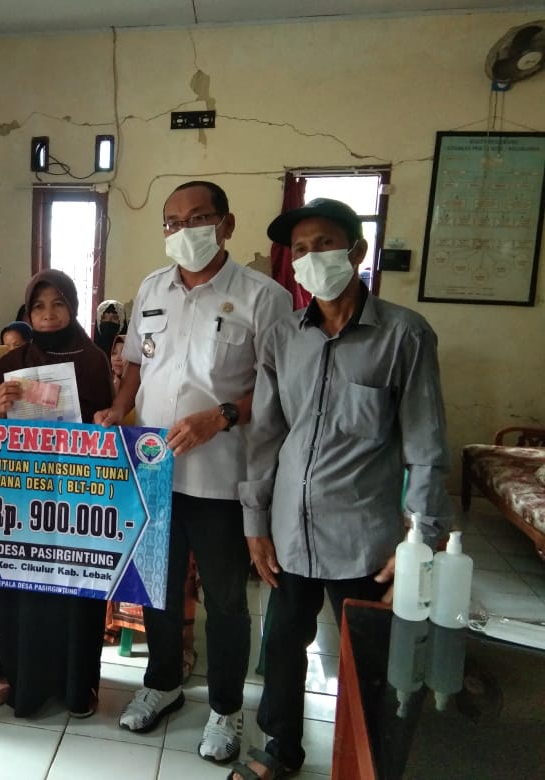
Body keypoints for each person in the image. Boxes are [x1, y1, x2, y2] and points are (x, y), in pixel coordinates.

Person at [231, 198, 451, 780]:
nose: (311, 258)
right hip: (290, 530)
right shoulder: (282, 336)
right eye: (300, 250)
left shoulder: (404, 335)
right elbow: (265, 436)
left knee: (370, 658)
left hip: (364, 538)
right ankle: (279, 749)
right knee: (282, 644)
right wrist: (255, 523)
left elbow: (427, 445)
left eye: (324, 244)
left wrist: (422, 543)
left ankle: (369, 760)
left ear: (357, 251)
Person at [95, 181, 291, 762]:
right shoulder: (152, 287)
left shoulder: (264, 297)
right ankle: (162, 684)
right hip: (155, 474)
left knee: (226, 600)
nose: (185, 231)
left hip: (223, 479)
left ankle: (226, 709)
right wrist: (118, 408)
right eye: (173, 221)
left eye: (198, 218)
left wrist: (222, 416)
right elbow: (135, 366)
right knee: (156, 585)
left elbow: (281, 389)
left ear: (226, 224)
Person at [0, 269, 115, 717]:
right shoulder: (9, 365)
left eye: (58, 304)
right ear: (28, 312)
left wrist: (99, 423)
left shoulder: (94, 361)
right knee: (17, 585)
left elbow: (108, 428)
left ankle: (79, 684)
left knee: (75, 586)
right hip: (21, 498)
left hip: (77, 496)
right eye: (38, 306)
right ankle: (10, 670)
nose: (48, 314)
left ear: (72, 307)